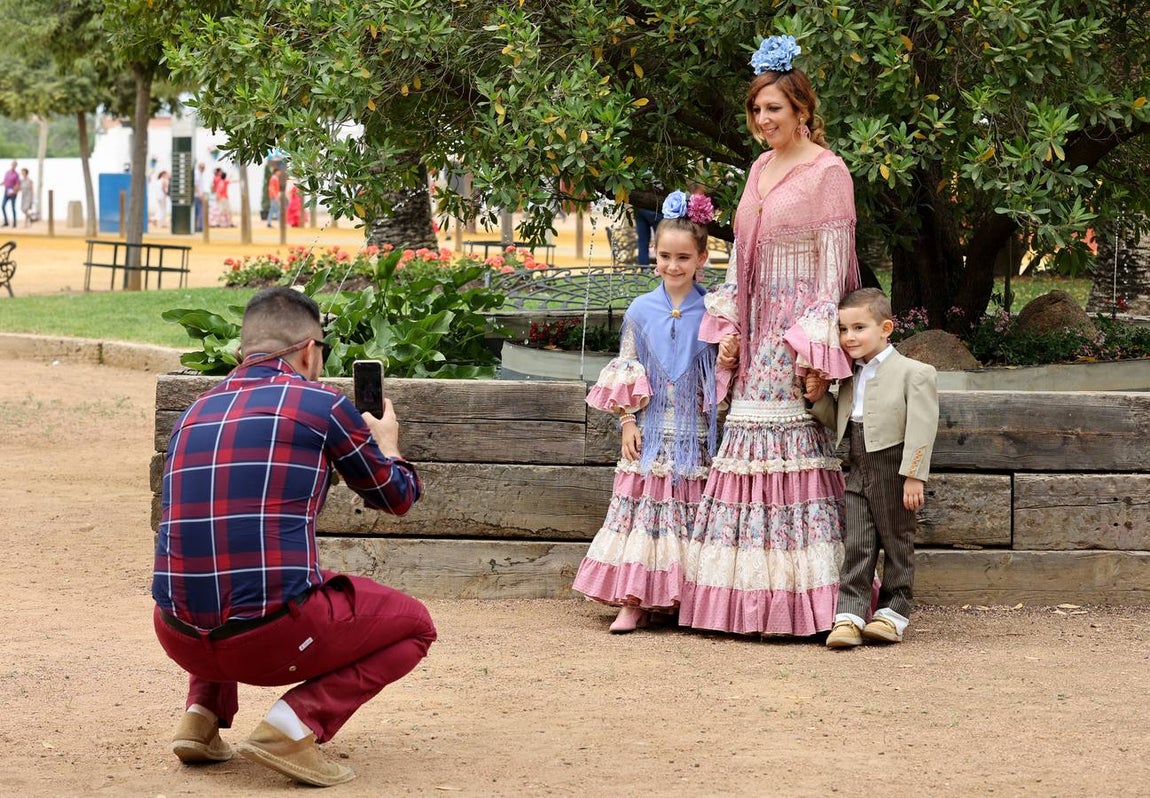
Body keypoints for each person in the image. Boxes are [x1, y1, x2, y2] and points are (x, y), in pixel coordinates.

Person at [152, 287, 436, 787]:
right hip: (270, 639)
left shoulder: (192, 414)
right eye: (322, 351)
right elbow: (396, 498)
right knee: (415, 626)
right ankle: (291, 727)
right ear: (308, 350)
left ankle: (200, 715)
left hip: (177, 635)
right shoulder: (321, 404)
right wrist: (388, 447)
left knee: (225, 562)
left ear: (244, 351)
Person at [677, 35, 861, 637]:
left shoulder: (829, 173)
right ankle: (741, 600)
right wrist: (728, 323)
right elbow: (739, 261)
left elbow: (835, 269)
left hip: (794, 334)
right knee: (746, 447)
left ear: (802, 110)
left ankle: (802, 603)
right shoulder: (758, 168)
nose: (763, 120)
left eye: (774, 108)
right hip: (755, 331)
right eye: (757, 110)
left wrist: (813, 344)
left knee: (785, 448)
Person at [571, 190, 732, 632]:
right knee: (646, 509)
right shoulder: (641, 310)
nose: (673, 266)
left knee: (691, 511)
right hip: (652, 428)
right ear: (654, 255)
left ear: (702, 257)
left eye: (684, 257)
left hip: (697, 429)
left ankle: (688, 599)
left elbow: (725, 373)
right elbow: (628, 366)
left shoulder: (715, 310)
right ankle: (635, 598)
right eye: (665, 256)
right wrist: (626, 421)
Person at [807, 288, 939, 648]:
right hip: (858, 464)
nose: (849, 337)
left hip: (895, 467)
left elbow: (922, 427)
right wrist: (819, 399)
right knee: (858, 542)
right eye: (843, 329)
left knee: (897, 542)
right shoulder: (849, 376)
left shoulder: (915, 372)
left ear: (886, 328)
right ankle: (849, 616)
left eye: (859, 328)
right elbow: (840, 420)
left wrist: (914, 475)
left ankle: (893, 615)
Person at [2, 161, 18, 227]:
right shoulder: (7, 173)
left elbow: (17, 184)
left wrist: (12, 191)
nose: (13, 166)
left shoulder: (16, 174)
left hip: (13, 193)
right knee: (3, 206)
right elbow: (5, 181)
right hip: (6, 192)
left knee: (13, 207)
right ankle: (6, 221)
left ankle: (14, 223)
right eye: (13, 164)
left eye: (15, 165)